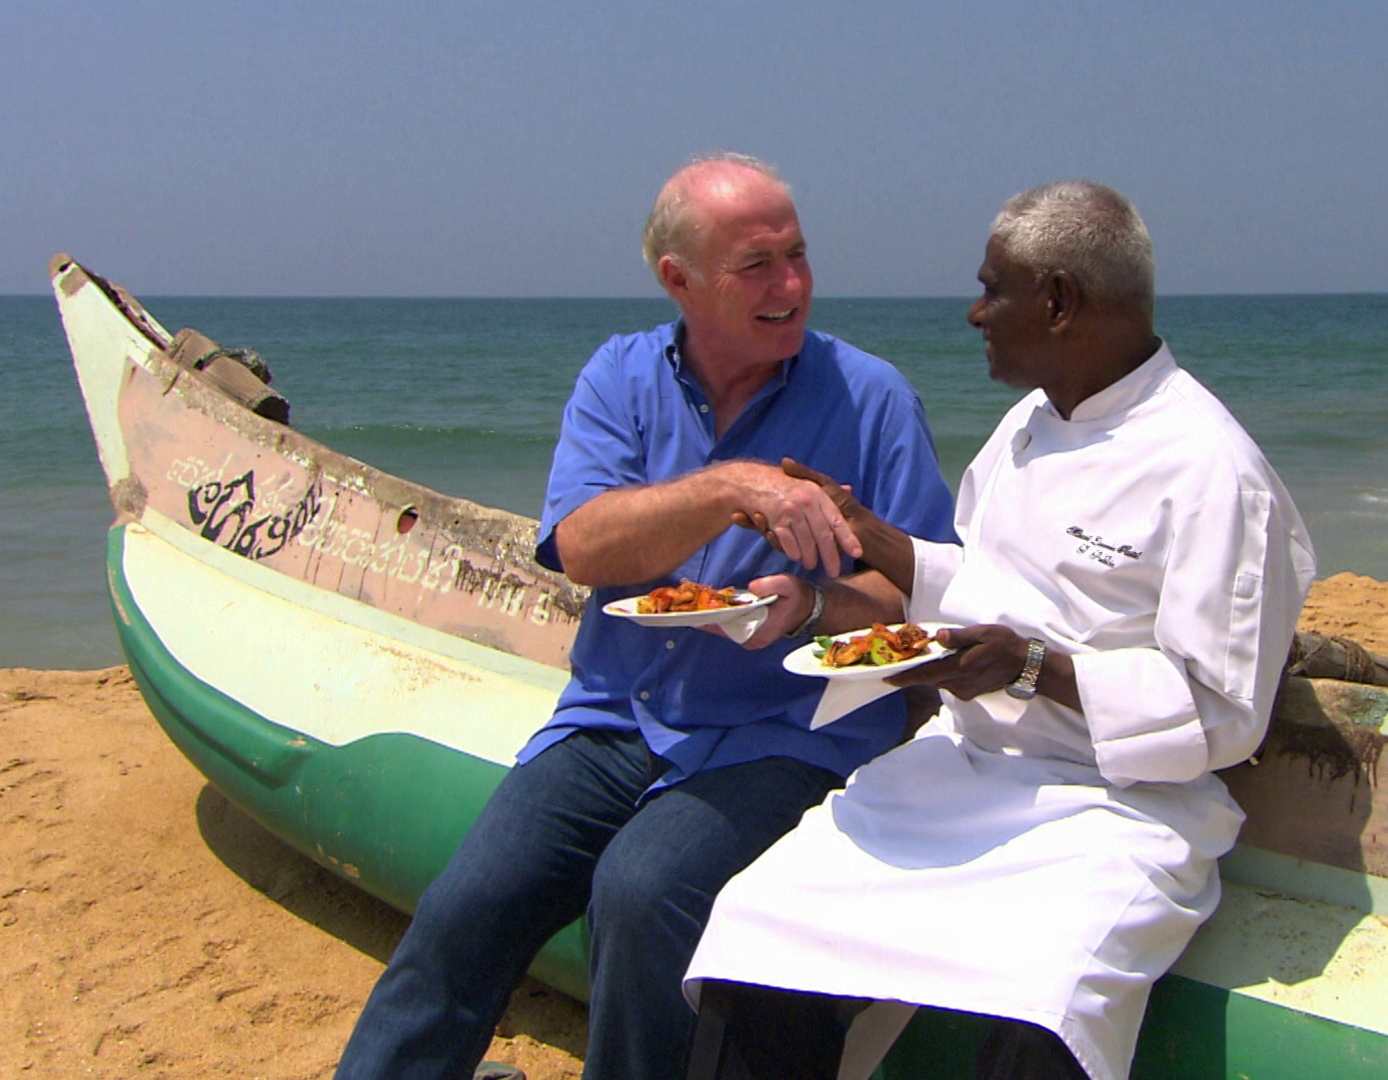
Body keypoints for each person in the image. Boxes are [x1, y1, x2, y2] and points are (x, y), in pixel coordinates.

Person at [333, 154, 958, 1080]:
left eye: (797, 255)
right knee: (467, 905)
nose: (791, 285)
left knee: (642, 888)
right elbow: (583, 546)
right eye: (757, 265)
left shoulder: (871, 398)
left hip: (785, 732)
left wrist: (814, 606)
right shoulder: (621, 377)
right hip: (614, 715)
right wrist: (729, 489)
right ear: (680, 279)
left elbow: (918, 597)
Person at [683, 180, 1318, 1080]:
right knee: (759, 929)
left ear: (1057, 301)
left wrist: (1032, 669)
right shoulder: (1028, 425)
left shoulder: (1215, 472)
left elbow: (1223, 715)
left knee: (1044, 1014)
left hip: (1115, 812)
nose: (975, 313)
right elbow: (986, 586)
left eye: (992, 290)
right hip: (958, 767)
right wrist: (870, 537)